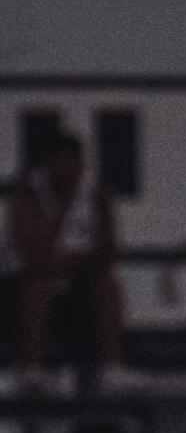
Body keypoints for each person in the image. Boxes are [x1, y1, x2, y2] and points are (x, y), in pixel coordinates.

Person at [1, 129, 125, 392]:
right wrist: (62, 207)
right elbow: (31, 250)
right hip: (27, 282)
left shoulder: (95, 193)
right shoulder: (29, 192)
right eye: (60, 162)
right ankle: (31, 367)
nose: (67, 169)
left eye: (73, 162)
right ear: (48, 164)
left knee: (108, 284)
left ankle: (113, 368)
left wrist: (80, 260)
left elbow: (108, 246)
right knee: (39, 282)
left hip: (77, 279)